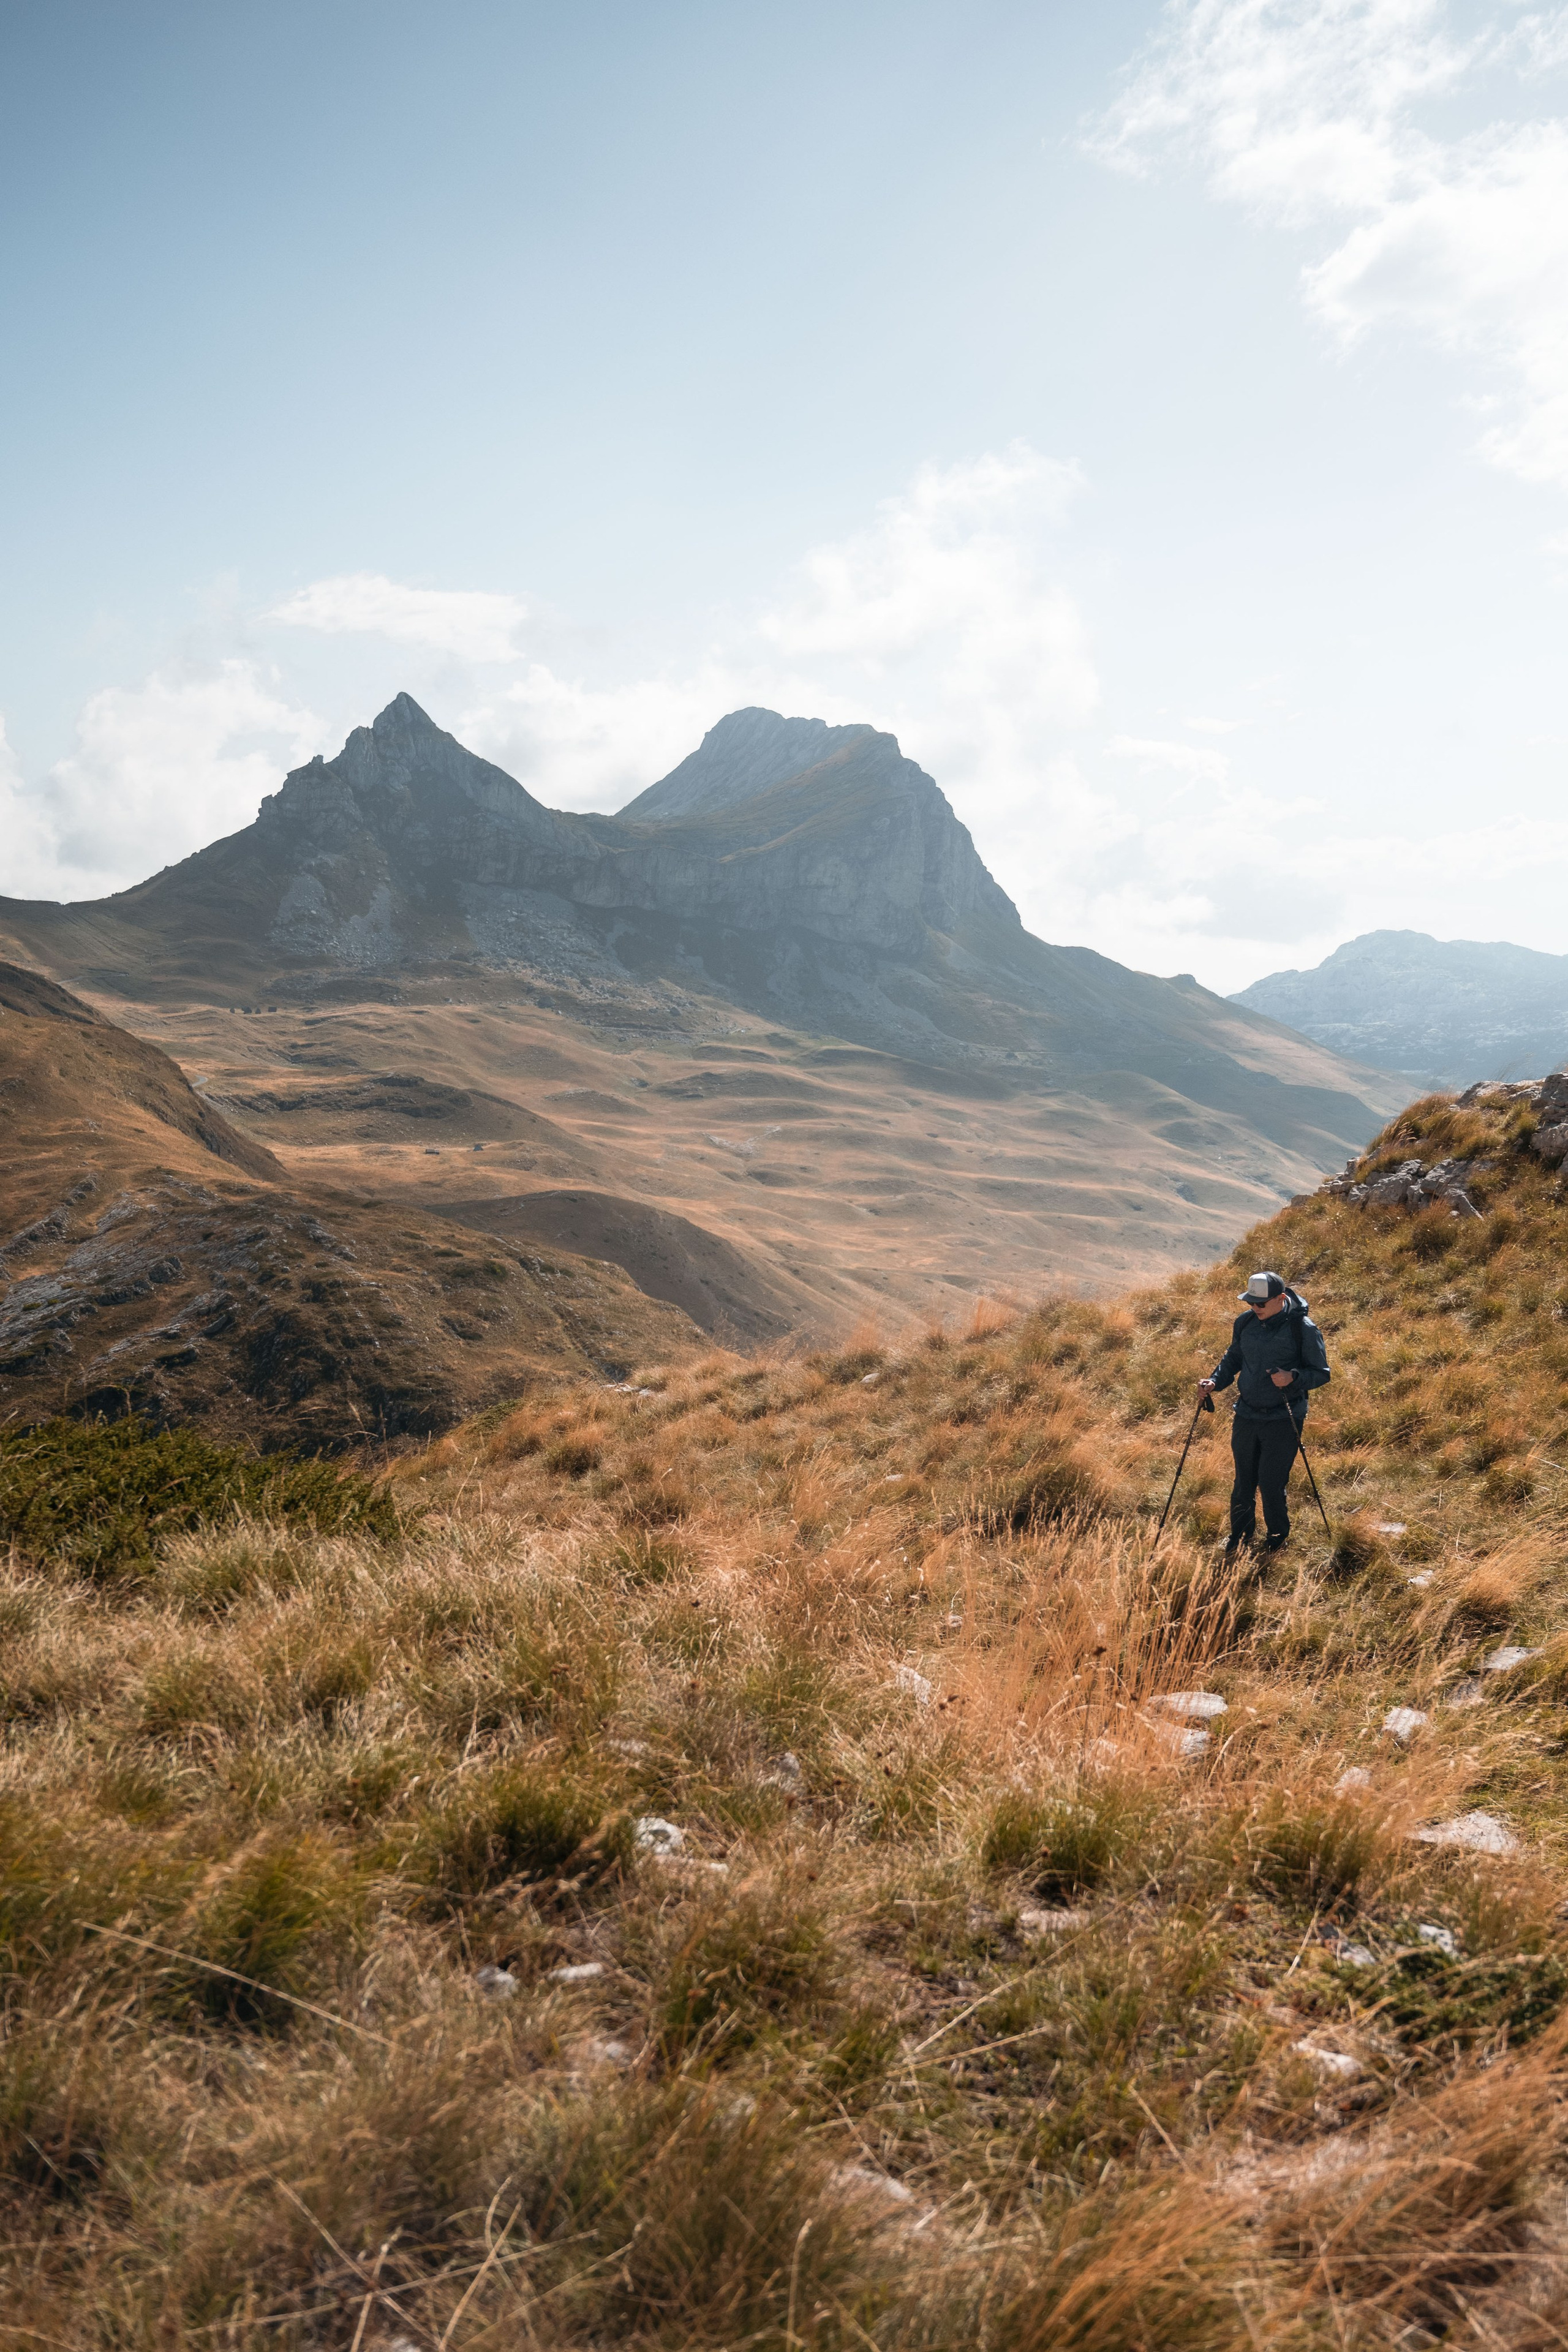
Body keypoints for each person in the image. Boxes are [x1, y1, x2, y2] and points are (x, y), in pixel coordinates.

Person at [1199, 1269, 1330, 1555]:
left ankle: (1277, 1538)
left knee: (1271, 1483)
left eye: (1260, 1304)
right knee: (1243, 1481)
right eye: (1250, 1303)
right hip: (1246, 1415)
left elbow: (1321, 1373)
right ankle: (1240, 1536)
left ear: (1281, 1299)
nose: (1254, 1308)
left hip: (1284, 1418)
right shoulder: (1245, 1323)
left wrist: (1292, 1377)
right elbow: (1234, 1357)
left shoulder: (1303, 1329)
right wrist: (1215, 1381)